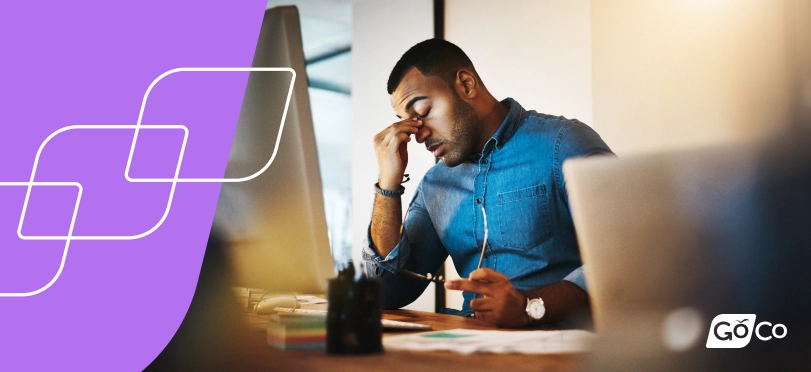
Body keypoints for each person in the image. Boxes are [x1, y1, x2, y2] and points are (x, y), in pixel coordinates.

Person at [362, 38, 613, 328]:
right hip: (469, 342)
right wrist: (388, 185)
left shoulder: (564, 144)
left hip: (557, 344)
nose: (418, 135)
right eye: (407, 122)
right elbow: (387, 293)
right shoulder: (436, 184)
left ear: (466, 85)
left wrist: (528, 305)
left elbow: (628, 258)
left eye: (423, 112)